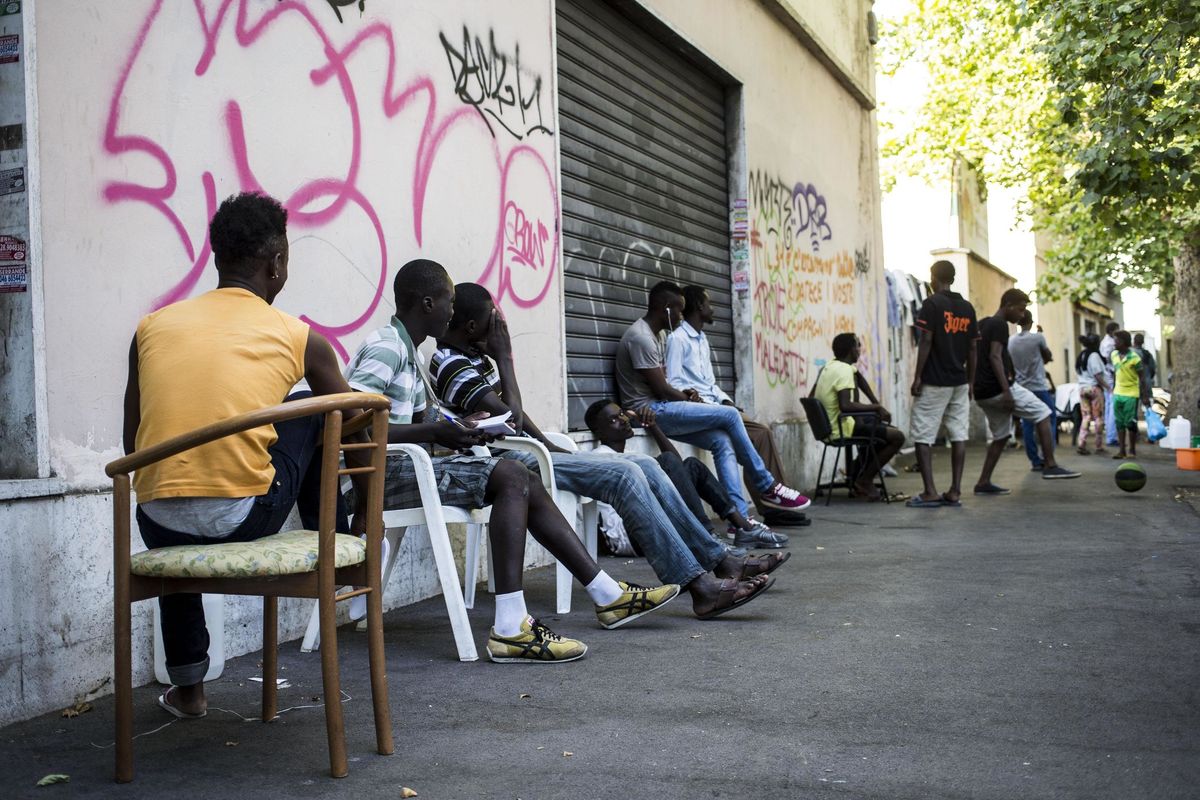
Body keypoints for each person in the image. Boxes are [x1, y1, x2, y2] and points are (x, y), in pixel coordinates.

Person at [345, 262, 682, 664]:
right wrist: (435, 435)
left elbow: (416, 423)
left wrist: (459, 426)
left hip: (404, 467)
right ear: (428, 303)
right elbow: (350, 423)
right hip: (381, 476)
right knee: (511, 475)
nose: (453, 312)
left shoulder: (409, 352)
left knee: (524, 478)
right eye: (450, 302)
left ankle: (606, 594)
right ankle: (510, 628)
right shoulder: (387, 347)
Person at [123, 192, 376, 718]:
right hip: (241, 519)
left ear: (218, 259)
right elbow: (354, 418)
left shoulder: (151, 327)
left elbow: (133, 444)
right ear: (276, 263)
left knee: (180, 505)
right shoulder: (298, 336)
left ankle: (189, 689)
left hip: (155, 521)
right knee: (314, 407)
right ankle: (335, 536)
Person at [429, 282, 785, 611]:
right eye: (493, 319)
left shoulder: (474, 357)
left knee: (646, 464)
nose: (500, 325)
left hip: (526, 452)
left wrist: (549, 445)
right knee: (625, 474)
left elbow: (518, 420)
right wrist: (506, 358)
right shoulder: (451, 364)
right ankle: (700, 588)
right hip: (504, 464)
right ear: (473, 328)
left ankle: (720, 561)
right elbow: (512, 418)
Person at [615, 281, 811, 515]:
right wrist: (689, 398)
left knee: (721, 440)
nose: (681, 316)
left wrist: (687, 395)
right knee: (729, 416)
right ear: (666, 308)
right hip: (648, 411)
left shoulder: (656, 336)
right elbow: (663, 390)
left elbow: (666, 386)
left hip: (662, 406)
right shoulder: (641, 337)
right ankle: (766, 484)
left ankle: (739, 518)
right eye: (678, 309)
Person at [665, 285, 809, 528]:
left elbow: (709, 382)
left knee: (727, 441)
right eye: (709, 303)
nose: (714, 309)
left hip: (715, 406)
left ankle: (741, 519)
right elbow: (674, 382)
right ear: (699, 307)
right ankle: (770, 494)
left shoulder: (702, 339)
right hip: (699, 409)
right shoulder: (677, 339)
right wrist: (700, 399)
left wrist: (725, 400)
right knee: (761, 433)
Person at [584, 399, 787, 549]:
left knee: (691, 466)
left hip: (647, 521)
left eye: (622, 414)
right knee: (667, 461)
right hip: (630, 536)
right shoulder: (601, 458)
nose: (623, 420)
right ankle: (708, 539)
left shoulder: (630, 454)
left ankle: (744, 529)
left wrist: (653, 426)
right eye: (614, 419)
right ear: (599, 432)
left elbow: (678, 468)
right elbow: (670, 465)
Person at [973, 288, 1080, 493]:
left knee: (1002, 436)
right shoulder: (999, 325)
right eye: (1021, 310)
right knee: (1043, 413)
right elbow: (995, 357)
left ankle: (983, 482)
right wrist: (1006, 390)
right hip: (997, 389)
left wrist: (973, 384)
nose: (1022, 316)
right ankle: (1050, 465)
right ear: (1009, 305)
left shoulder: (984, 323)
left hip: (983, 392)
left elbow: (977, 355)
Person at [906, 260, 978, 508]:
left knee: (923, 435)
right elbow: (972, 348)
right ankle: (955, 491)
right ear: (954, 278)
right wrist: (970, 382)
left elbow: (926, 340)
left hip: (935, 381)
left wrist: (917, 377)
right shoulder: (967, 308)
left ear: (933, 278)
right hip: (959, 381)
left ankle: (930, 492)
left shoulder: (932, 304)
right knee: (958, 434)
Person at [811, 333, 906, 499]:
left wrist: (877, 405)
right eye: (857, 346)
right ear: (851, 350)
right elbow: (846, 406)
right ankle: (864, 480)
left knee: (881, 429)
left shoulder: (830, 366)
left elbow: (859, 378)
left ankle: (856, 473)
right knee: (897, 437)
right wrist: (876, 407)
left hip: (831, 426)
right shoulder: (844, 371)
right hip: (842, 427)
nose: (860, 350)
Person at [1009, 310, 1057, 471]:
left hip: (1021, 387)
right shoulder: (1038, 337)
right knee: (1049, 417)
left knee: (1027, 424)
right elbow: (1048, 357)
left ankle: (1035, 461)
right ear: (1031, 323)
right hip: (1038, 386)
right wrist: (1041, 334)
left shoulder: (1011, 341)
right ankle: (1047, 455)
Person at [1110, 330, 1150, 460]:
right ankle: (1121, 450)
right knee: (1119, 423)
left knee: (1131, 423)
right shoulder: (1114, 355)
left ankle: (1132, 450)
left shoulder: (1135, 358)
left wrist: (1144, 396)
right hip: (1117, 393)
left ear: (1123, 342)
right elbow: (1115, 373)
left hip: (1131, 394)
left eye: (1116, 340)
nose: (1114, 343)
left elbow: (1142, 378)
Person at [1074, 333, 1109, 455]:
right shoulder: (1094, 355)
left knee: (1086, 417)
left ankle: (1081, 443)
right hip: (1094, 389)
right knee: (1098, 417)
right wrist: (1108, 387)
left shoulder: (1082, 355)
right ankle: (1098, 446)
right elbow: (1097, 375)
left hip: (1083, 389)